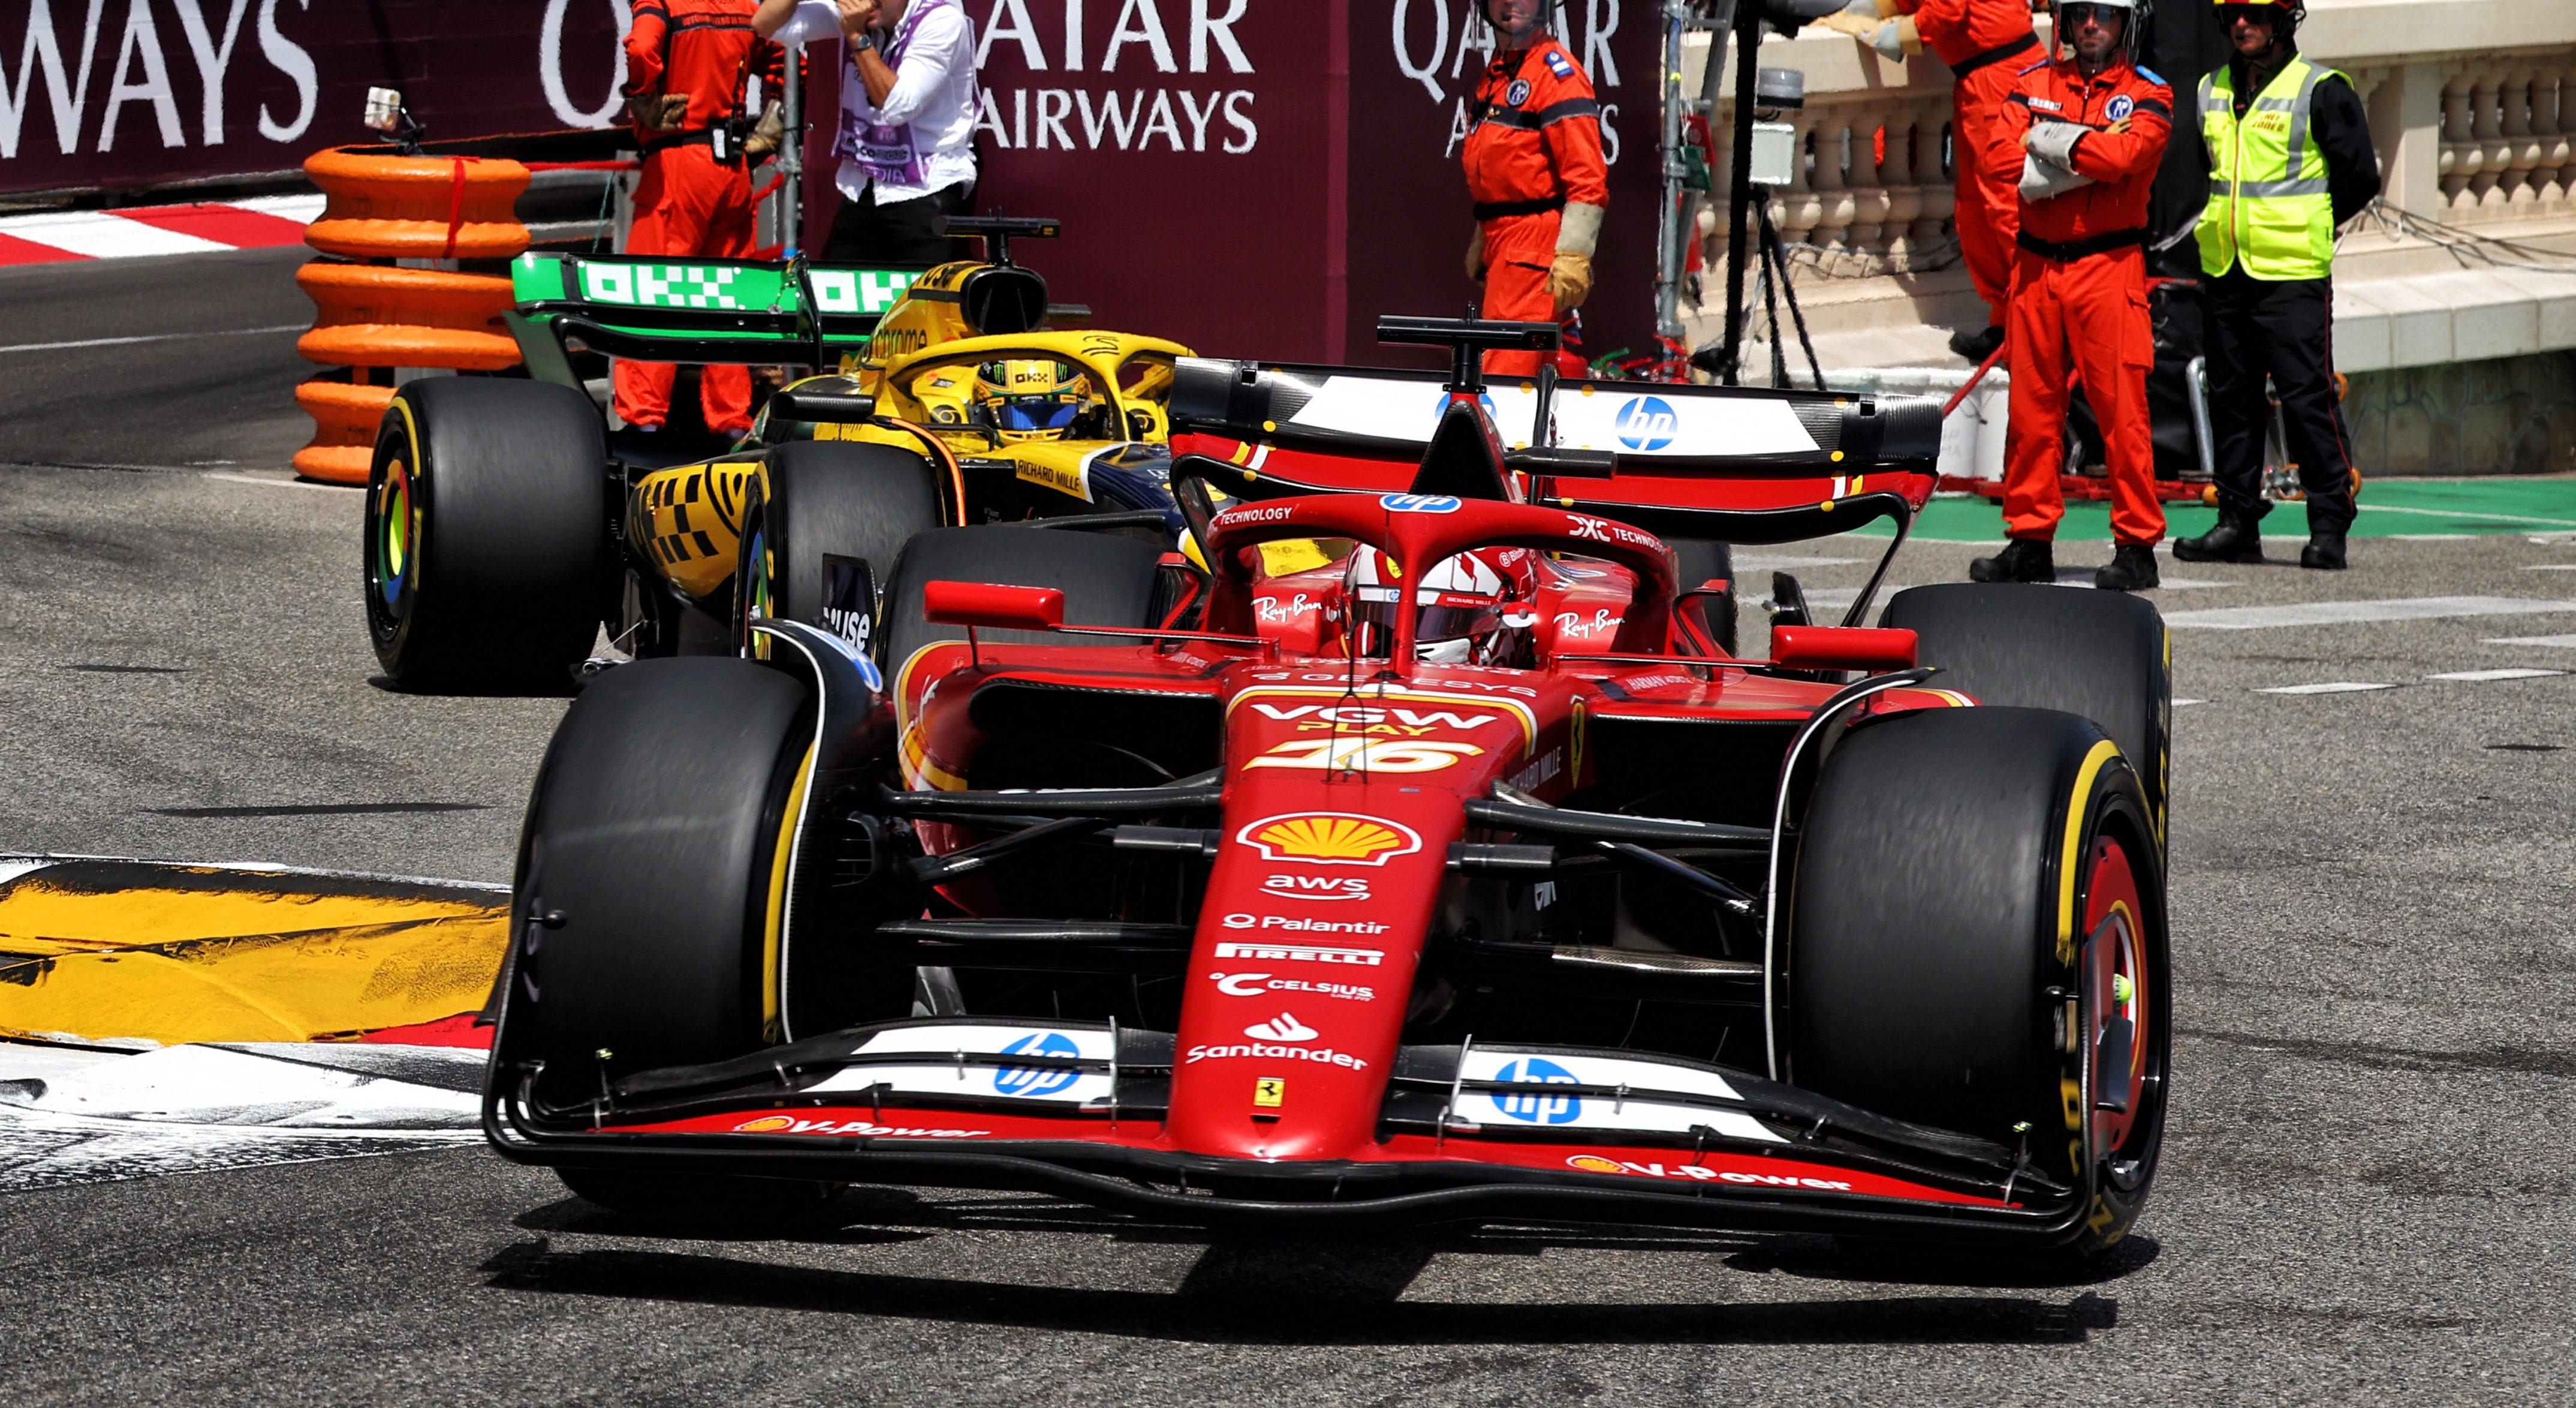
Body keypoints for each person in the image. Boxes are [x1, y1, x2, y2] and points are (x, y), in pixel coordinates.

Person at [1969, 0, 2171, 591]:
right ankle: (2029, 541)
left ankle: (2136, 546)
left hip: (2108, 266)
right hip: (2035, 267)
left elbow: (2128, 156)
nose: (2090, 25)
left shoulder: (2148, 92)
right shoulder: (2031, 81)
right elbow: (1998, 157)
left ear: (2125, 22)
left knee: (2122, 415)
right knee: (2030, 414)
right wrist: (2087, 150)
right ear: (2064, 20)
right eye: (2081, 13)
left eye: (2104, 14)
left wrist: (2045, 142)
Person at [2171, 0, 2378, 570]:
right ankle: (2237, 522)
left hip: (2291, 274)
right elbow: (2209, 173)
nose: (2243, 23)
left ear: (2284, 18)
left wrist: (2309, 224)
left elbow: (2360, 177)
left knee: (2306, 398)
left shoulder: (2320, 90)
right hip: (2226, 270)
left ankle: (2329, 523)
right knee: (2231, 401)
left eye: (2256, 12)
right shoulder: (2210, 89)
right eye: (2233, 13)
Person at [1826, 0, 2044, 362]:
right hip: (1981, 81)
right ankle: (2006, 323)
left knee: (2007, 210)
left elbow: (1947, 10)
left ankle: (2038, 330)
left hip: (2005, 81)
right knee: (1976, 212)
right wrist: (1872, 9)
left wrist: (1888, 33)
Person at [613, 0, 783, 440]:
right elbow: (792, 59)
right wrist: (776, 120)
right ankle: (733, 420)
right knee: (729, 297)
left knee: (654, 292)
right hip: (733, 169)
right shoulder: (747, 7)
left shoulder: (662, 3)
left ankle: (643, 419)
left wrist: (642, 97)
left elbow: (641, 48)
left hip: (677, 167)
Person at [754, 0, 978, 264]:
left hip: (924, 191)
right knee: (842, 290)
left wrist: (857, 37)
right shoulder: (861, 12)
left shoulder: (942, 21)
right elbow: (767, 25)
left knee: (918, 292)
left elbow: (898, 106)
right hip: (863, 185)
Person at [1461, 0, 1607, 380]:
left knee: (1503, 376)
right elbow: (1506, 171)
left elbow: (1587, 178)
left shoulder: (1557, 75)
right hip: (1505, 244)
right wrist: (1484, 237)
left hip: (1532, 248)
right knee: (1517, 375)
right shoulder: (1498, 73)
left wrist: (1574, 254)